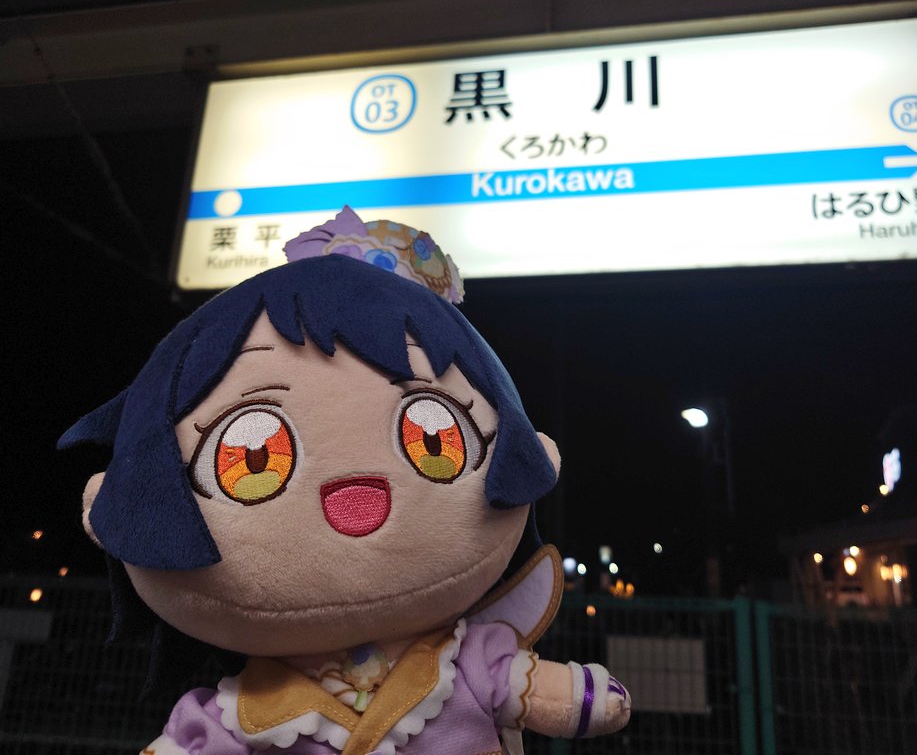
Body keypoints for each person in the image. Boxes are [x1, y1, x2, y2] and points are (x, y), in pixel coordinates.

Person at [60, 207, 630, 754]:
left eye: (434, 440)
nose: (356, 501)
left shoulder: (467, 664)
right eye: (253, 458)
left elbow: (554, 696)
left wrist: (582, 698)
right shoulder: (244, 711)